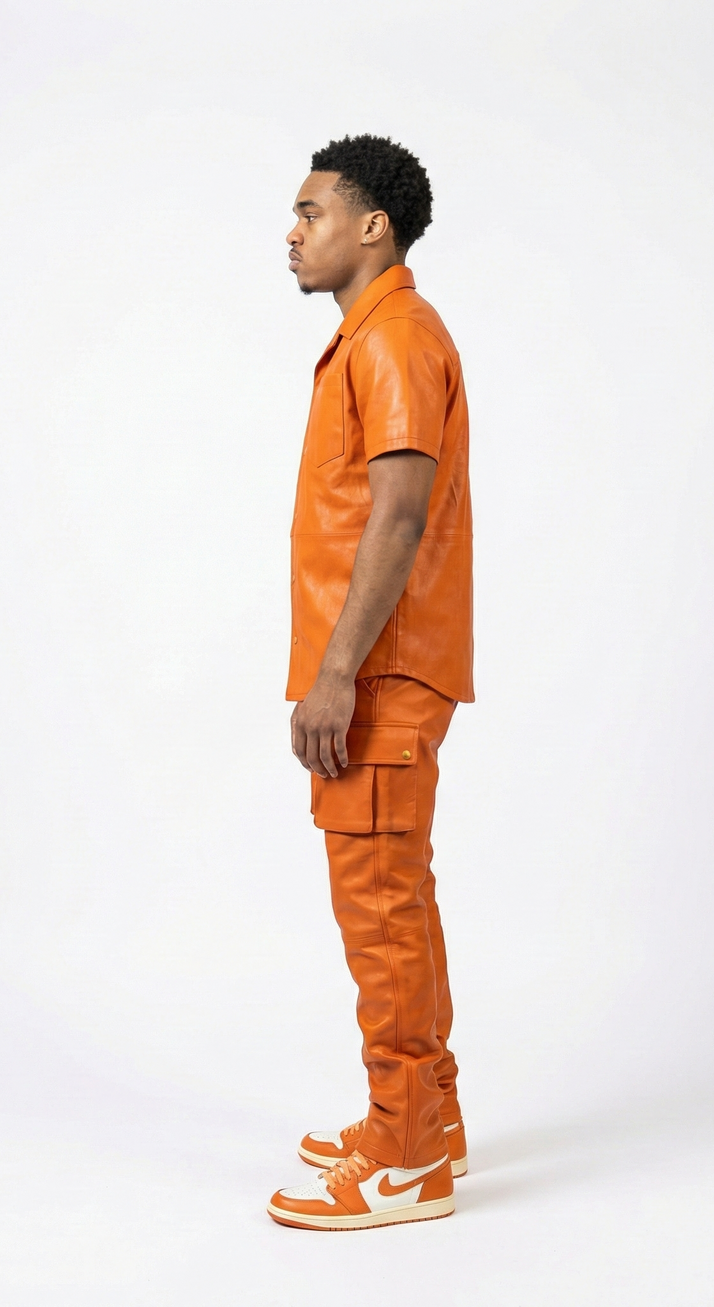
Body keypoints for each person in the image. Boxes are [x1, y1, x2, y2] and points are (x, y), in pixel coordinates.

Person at [267, 135, 475, 1231]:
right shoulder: (376, 336)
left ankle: (403, 1156)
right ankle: (426, 1114)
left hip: (379, 674)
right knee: (401, 895)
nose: (292, 232)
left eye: (311, 213)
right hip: (381, 667)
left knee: (382, 906)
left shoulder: (392, 337)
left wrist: (336, 675)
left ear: (371, 225)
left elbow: (397, 516)